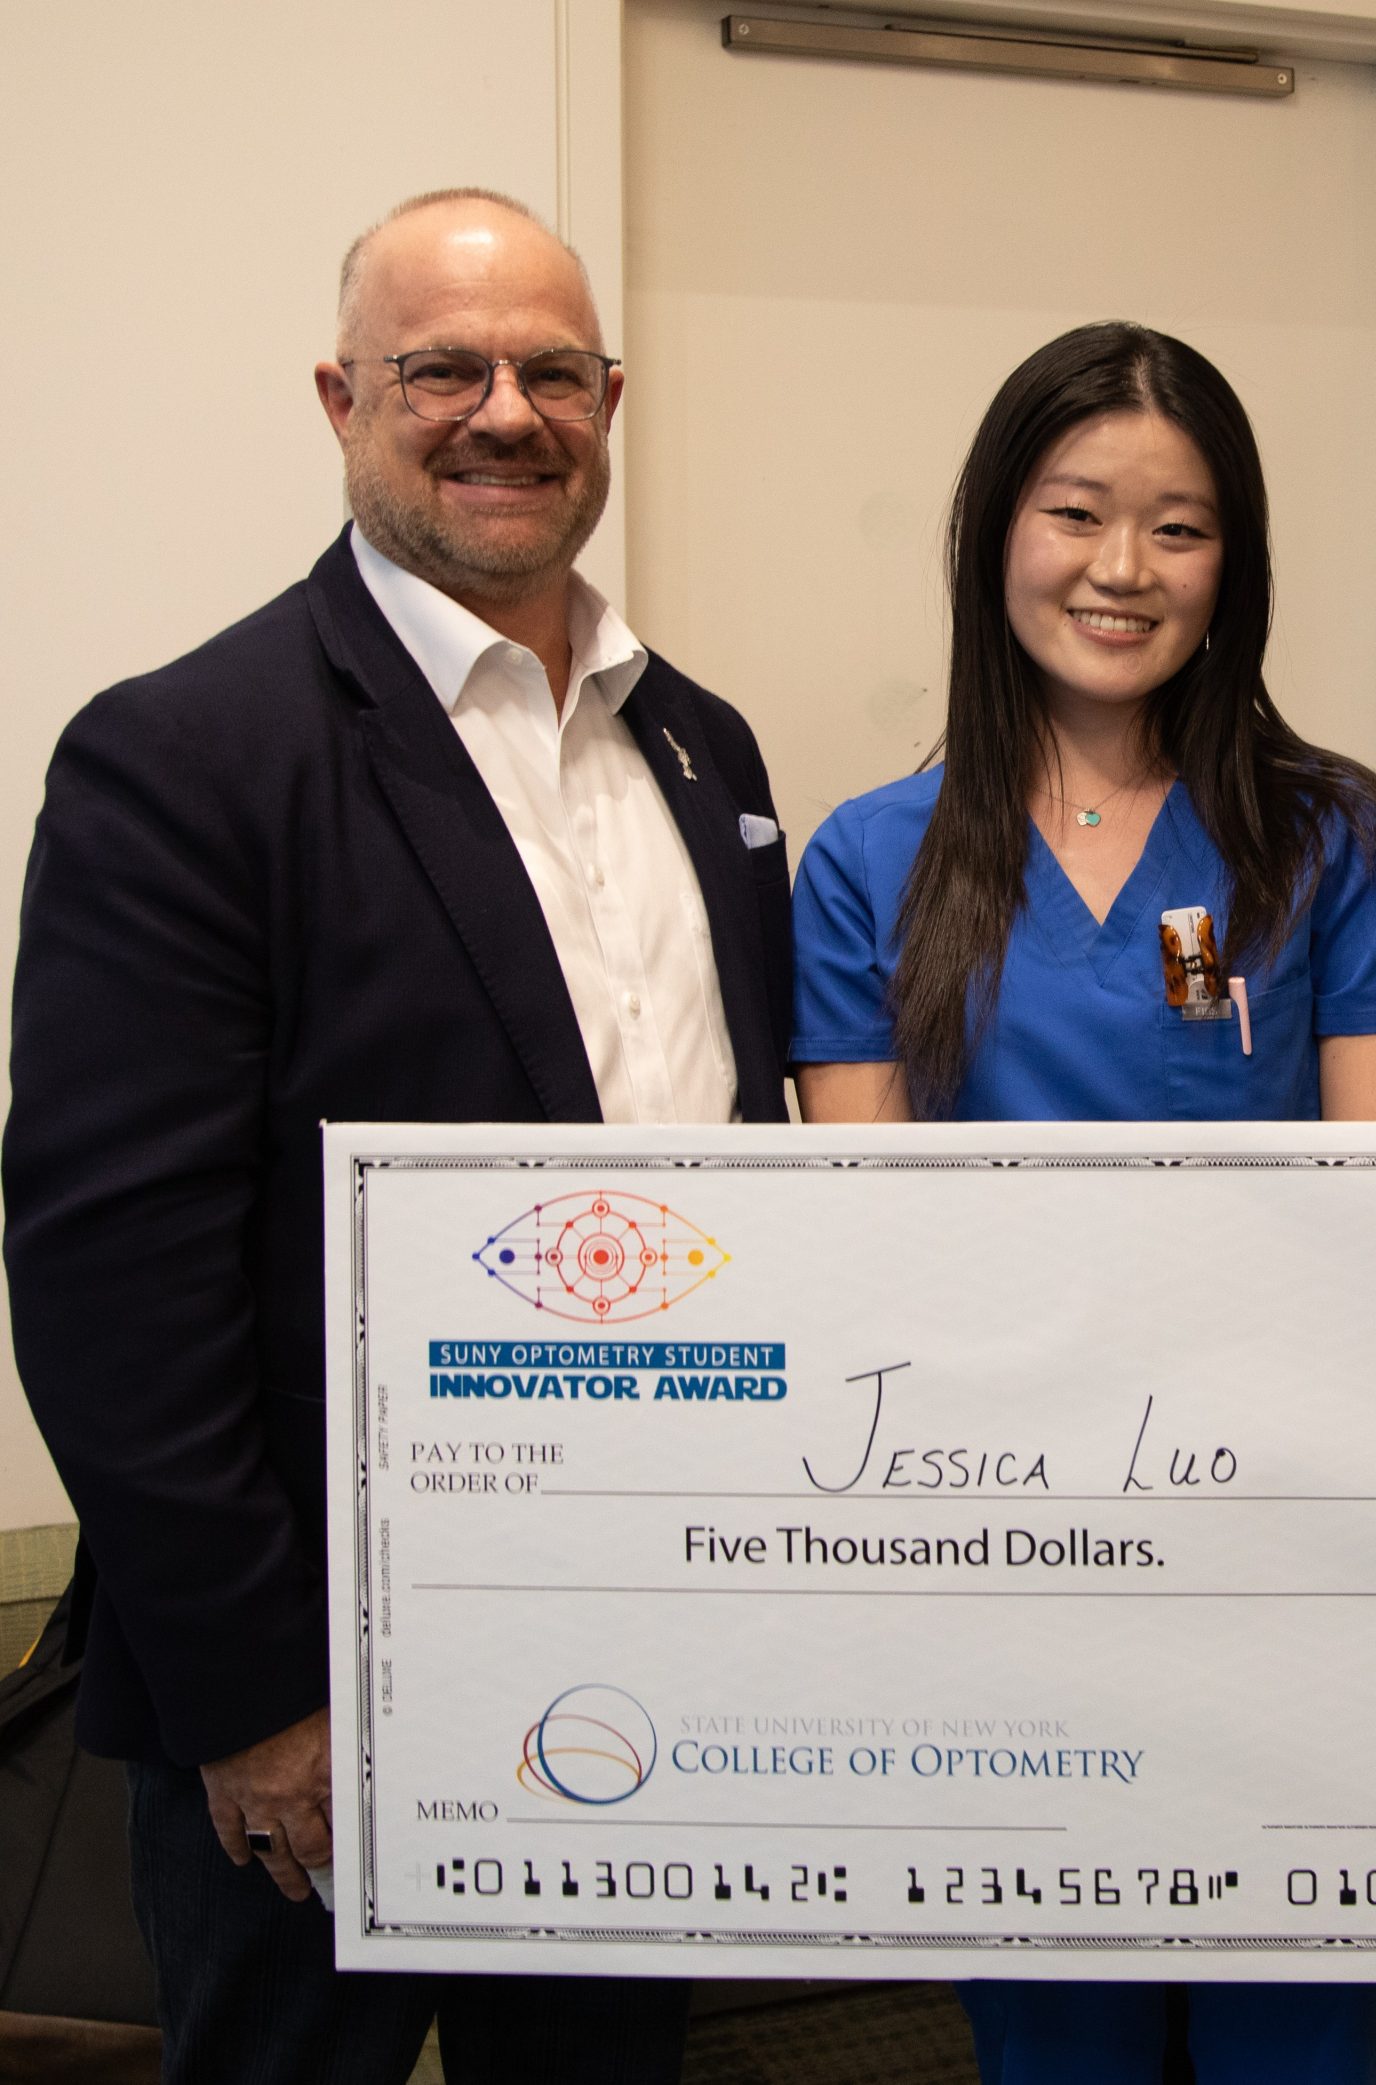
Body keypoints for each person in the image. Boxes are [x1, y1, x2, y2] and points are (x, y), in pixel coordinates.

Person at [3, 189, 794, 2084]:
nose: (504, 410)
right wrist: (261, 1700)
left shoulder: (705, 749)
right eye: (442, 367)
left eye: (552, 371)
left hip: (644, 1626)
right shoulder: (187, 756)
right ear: (342, 398)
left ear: (613, 399)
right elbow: (115, 1280)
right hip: (326, 1678)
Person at [793, 320, 1376, 2083]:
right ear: (995, 532)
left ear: (1232, 568)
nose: (1121, 568)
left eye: (1179, 527)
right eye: (1077, 511)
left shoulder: (1334, 848)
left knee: (1298, 2032)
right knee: (1056, 2038)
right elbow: (871, 1246)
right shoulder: (873, 860)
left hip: (1288, 1552)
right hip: (1006, 1549)